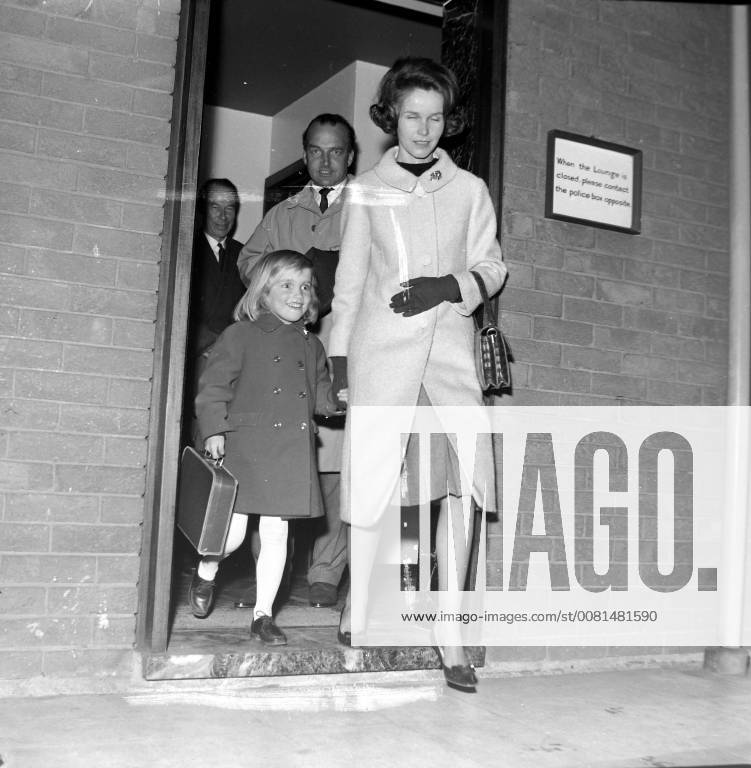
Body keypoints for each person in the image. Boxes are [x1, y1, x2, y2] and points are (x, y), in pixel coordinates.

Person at [328, 57, 507, 691]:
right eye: (411, 117)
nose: (424, 131)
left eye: (435, 118)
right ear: (391, 116)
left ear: (447, 121)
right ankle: (361, 602)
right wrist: (339, 359)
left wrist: (449, 285)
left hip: (451, 366)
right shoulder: (366, 190)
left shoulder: (470, 190)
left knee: (464, 492)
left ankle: (449, 630)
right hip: (382, 360)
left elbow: (491, 268)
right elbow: (349, 284)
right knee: (378, 486)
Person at [190, 250, 347, 645]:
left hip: (289, 450)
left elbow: (320, 397)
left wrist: (341, 399)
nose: (298, 294)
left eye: (306, 286)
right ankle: (207, 569)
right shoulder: (239, 335)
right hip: (245, 448)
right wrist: (214, 430)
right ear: (263, 292)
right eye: (287, 285)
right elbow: (212, 389)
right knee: (234, 537)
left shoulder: (312, 346)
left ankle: (263, 615)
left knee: (277, 536)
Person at [238, 114, 356, 609]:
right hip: (286, 353)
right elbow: (248, 262)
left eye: (335, 152)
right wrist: (290, 271)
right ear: (304, 154)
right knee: (277, 457)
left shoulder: (369, 205)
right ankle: (272, 580)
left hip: (345, 346)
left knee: (339, 462)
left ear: (350, 156)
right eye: (315, 151)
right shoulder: (285, 210)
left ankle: (326, 570)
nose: (324, 162)